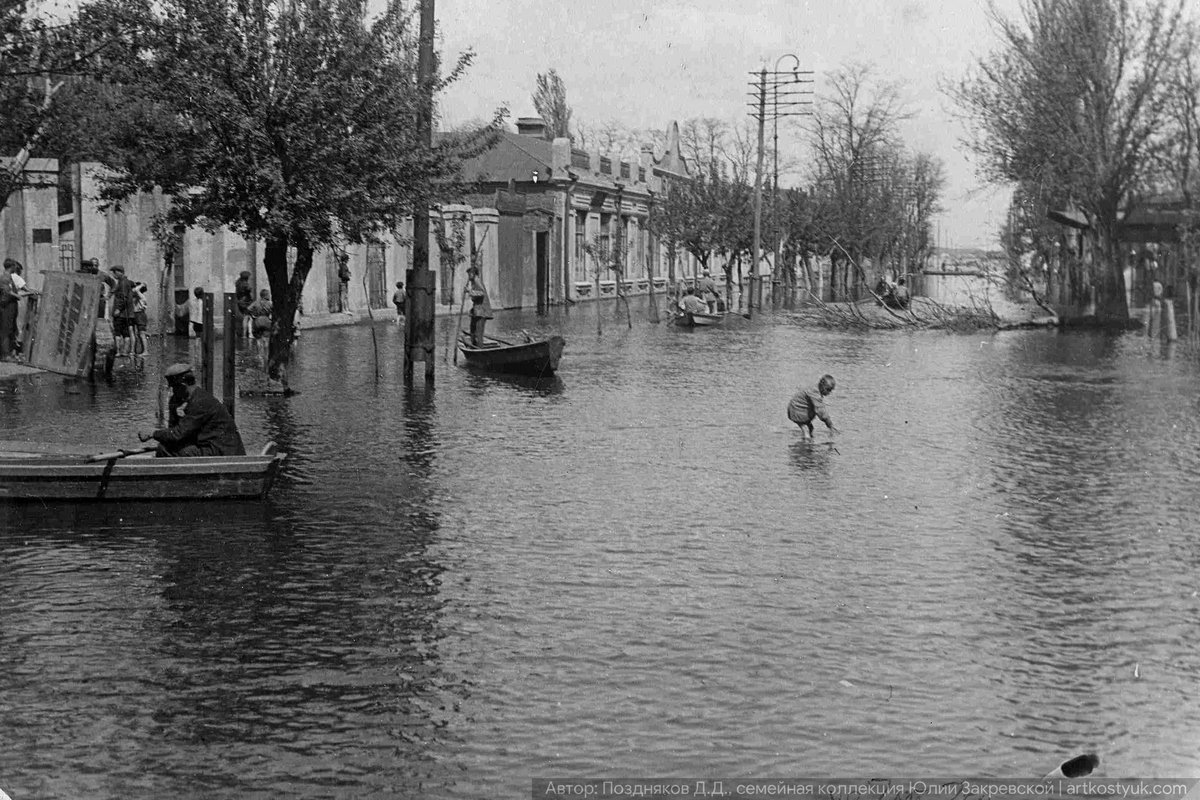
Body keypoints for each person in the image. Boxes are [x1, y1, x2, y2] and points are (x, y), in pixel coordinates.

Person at [139, 363, 246, 457]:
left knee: (164, 449)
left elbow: (177, 435)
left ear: (182, 386)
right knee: (166, 446)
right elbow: (175, 432)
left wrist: (153, 433)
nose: (172, 392)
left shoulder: (200, 402)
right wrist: (173, 408)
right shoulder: (190, 398)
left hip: (224, 453)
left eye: (174, 388)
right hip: (213, 448)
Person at [787, 374, 839, 438]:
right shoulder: (815, 393)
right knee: (805, 429)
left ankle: (808, 443)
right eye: (828, 389)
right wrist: (830, 425)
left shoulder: (816, 388)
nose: (829, 393)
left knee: (810, 428)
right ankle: (807, 444)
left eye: (831, 390)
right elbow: (821, 411)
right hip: (796, 410)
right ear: (822, 386)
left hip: (799, 410)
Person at [109, 265, 136, 356]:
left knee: (118, 333)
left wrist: (118, 309)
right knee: (126, 334)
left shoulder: (123, 283)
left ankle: (119, 351)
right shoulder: (125, 282)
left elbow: (123, 297)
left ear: (120, 272)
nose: (113, 274)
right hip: (127, 314)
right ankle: (125, 351)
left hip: (121, 314)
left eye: (115, 272)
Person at [465, 266, 493, 346]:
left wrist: (469, 291)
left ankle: (479, 348)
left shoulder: (477, 281)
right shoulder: (474, 282)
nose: (469, 276)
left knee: (478, 332)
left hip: (482, 311)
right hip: (477, 311)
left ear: (473, 274)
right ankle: (474, 346)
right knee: (473, 331)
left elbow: (481, 293)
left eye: (469, 274)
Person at [0, 259, 20, 361]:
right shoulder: (5, 277)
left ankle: (9, 353)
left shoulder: (9, 277)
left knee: (10, 329)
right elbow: (7, 292)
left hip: (10, 306)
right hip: (6, 306)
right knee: (6, 330)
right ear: (11, 267)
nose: (15, 268)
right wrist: (17, 296)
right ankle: (5, 355)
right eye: (14, 266)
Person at [130, 281, 149, 359]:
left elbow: (135, 290)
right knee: (137, 334)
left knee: (141, 333)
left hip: (140, 314)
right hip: (135, 314)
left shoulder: (141, 296)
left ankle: (145, 351)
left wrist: (141, 285)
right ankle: (139, 350)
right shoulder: (135, 296)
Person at [235, 270, 254, 337]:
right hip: (246, 302)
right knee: (247, 317)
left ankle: (245, 333)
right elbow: (249, 289)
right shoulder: (245, 284)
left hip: (240, 301)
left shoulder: (238, 283)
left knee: (245, 317)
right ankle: (247, 333)